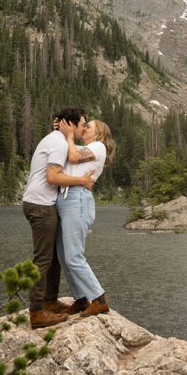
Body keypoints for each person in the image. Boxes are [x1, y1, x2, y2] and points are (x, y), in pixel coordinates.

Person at [22, 106, 95, 329]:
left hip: (44, 204)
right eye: (82, 124)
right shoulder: (58, 143)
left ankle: (49, 302)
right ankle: (36, 313)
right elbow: (53, 176)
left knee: (53, 257)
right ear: (71, 124)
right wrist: (82, 182)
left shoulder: (59, 140)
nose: (84, 128)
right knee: (43, 259)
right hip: (40, 205)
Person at [56, 118, 115, 317]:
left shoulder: (98, 146)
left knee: (73, 256)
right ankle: (81, 299)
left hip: (77, 199)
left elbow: (72, 157)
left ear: (99, 133)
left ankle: (98, 298)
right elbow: (67, 152)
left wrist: (70, 135)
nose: (84, 127)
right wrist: (62, 130)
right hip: (67, 198)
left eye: (88, 126)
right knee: (64, 256)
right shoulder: (85, 147)